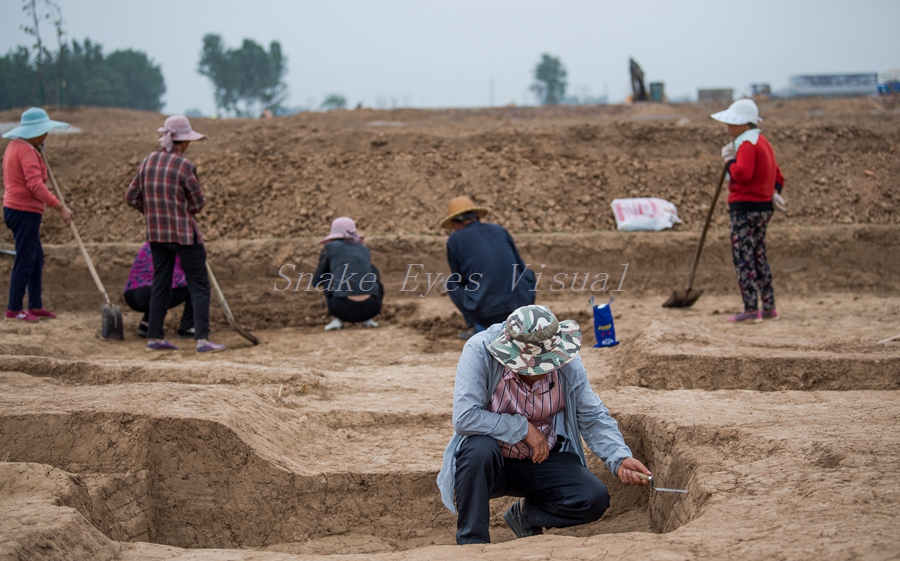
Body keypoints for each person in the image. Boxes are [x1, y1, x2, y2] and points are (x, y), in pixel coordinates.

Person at [436, 305, 650, 544]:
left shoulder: (567, 363)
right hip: (491, 464)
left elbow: (593, 416)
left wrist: (619, 457)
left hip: (543, 459)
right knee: (478, 451)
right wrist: (523, 428)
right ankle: (472, 542)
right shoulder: (480, 351)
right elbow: (465, 417)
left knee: (593, 498)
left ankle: (526, 516)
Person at [125, 115, 224, 353]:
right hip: (184, 235)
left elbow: (131, 197)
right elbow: (198, 203)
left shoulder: (148, 161)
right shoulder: (184, 166)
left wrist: (152, 212)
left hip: (156, 235)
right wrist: (180, 210)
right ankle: (202, 339)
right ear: (184, 141)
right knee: (199, 285)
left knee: (161, 282)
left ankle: (155, 336)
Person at [712, 99, 785, 323]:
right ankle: (769, 306)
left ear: (744, 124)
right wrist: (773, 191)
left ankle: (751, 309)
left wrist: (728, 162)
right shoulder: (763, 142)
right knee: (759, 256)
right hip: (763, 209)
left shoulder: (745, 144)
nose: (727, 128)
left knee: (744, 258)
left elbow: (742, 174)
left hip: (745, 209)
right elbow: (778, 176)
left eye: (731, 123)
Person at [2, 108, 74, 322]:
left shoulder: (21, 147)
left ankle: (35, 304)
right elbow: (35, 186)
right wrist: (59, 207)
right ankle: (14, 308)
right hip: (23, 210)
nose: (47, 135)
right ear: (34, 132)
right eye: (44, 131)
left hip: (22, 209)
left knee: (36, 257)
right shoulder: (25, 150)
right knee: (26, 259)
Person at [441, 196, 536, 340]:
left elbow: (459, 279)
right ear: (477, 218)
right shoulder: (499, 230)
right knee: (528, 274)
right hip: (520, 308)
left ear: (455, 224)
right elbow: (521, 267)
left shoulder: (455, 240)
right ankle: (523, 322)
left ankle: (478, 326)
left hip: (488, 315)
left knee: (451, 283)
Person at [313, 216, 383, 331]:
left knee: (328, 275)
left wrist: (316, 284)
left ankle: (335, 319)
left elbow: (320, 275)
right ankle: (368, 319)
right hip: (372, 307)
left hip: (341, 309)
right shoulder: (364, 249)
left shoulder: (330, 247)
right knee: (372, 270)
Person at [123, 243, 195, 338]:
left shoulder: (150, 244)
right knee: (195, 286)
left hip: (131, 293)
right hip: (148, 295)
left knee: (157, 287)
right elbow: (177, 279)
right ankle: (187, 327)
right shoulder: (176, 248)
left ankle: (147, 324)